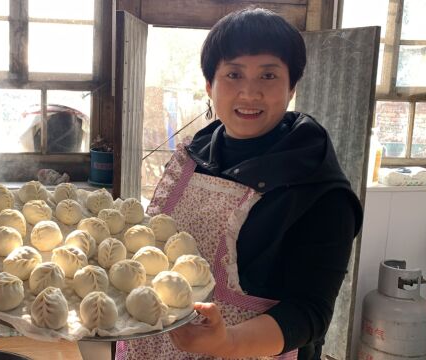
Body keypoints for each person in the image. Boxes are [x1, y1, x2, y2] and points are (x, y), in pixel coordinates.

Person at [116, 7, 363, 360]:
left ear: (291, 87)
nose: (249, 93)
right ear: (209, 86)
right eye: (233, 74)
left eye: (268, 75)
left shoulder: (320, 191)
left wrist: (226, 343)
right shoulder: (192, 158)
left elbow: (310, 312)